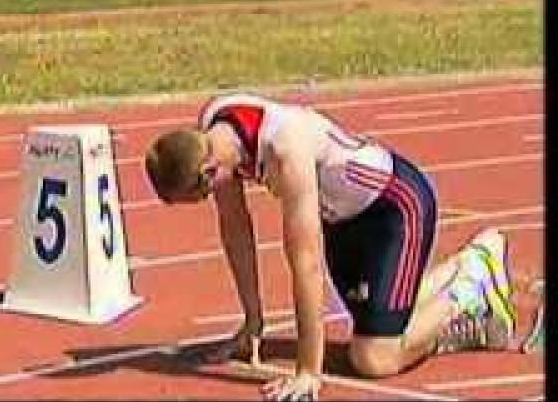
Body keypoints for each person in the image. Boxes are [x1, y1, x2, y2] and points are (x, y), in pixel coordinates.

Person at [144, 92, 519, 400]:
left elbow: (304, 260)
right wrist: (252, 321)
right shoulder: (213, 130)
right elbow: (235, 230)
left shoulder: (285, 151)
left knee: (374, 358)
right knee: (377, 328)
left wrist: (308, 371)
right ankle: (468, 263)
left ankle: (470, 286)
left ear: (208, 173)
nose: (212, 198)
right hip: (343, 220)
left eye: (202, 195)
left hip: (395, 208)